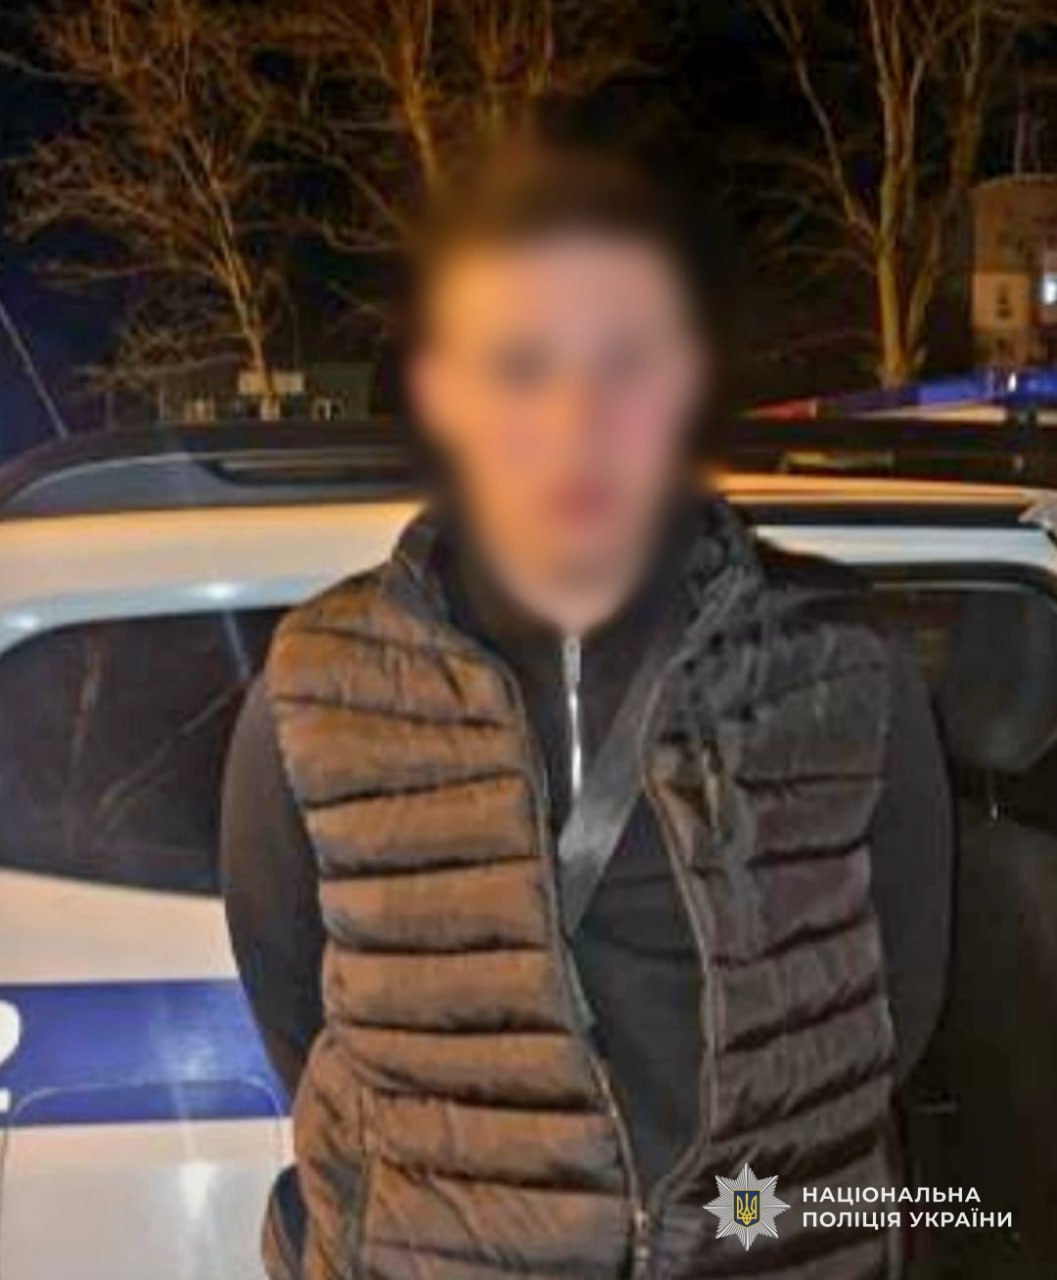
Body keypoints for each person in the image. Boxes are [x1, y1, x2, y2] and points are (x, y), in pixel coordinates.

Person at [221, 140, 951, 1280]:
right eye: (521, 363)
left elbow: (894, 1004)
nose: (576, 416)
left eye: (625, 359)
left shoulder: (840, 666)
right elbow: (294, 999)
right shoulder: (321, 682)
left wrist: (736, 1223)